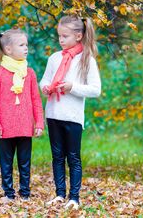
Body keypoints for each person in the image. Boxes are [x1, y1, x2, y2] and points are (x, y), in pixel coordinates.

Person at [40, 15, 101, 209]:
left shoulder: (87, 60)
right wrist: (45, 87)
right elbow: (44, 79)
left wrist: (72, 87)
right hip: (53, 115)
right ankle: (59, 194)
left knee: (73, 157)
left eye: (65, 36)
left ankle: (74, 198)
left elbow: (95, 90)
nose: (61, 40)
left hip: (73, 117)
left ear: (78, 35)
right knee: (57, 157)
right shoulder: (54, 58)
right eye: (59, 36)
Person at [0, 28, 44, 202]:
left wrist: (39, 123)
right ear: (8, 50)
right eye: (22, 45)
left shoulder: (30, 73)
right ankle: (9, 194)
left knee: (24, 163)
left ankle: (25, 193)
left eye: (26, 44)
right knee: (6, 164)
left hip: (26, 127)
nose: (26, 48)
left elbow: (36, 100)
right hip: (5, 129)